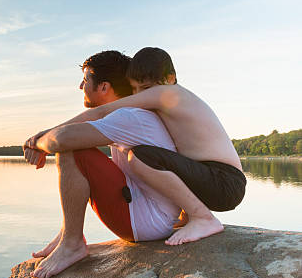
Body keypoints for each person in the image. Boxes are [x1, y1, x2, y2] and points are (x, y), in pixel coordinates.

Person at [37, 47, 246, 246]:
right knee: (155, 155)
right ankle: (192, 214)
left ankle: (203, 218)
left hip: (224, 180)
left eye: (144, 89)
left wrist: (42, 137)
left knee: (141, 156)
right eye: (134, 89)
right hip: (213, 177)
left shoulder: (166, 93)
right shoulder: (166, 103)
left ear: (169, 78)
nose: (138, 96)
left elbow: (99, 114)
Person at [23, 50, 182, 278]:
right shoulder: (127, 114)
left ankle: (72, 243)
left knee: (74, 149)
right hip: (151, 214)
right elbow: (76, 126)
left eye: (86, 80)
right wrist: (39, 139)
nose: (80, 86)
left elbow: (63, 139)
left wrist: (36, 143)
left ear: (104, 88)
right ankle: (67, 233)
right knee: (78, 145)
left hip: (147, 222)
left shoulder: (128, 117)